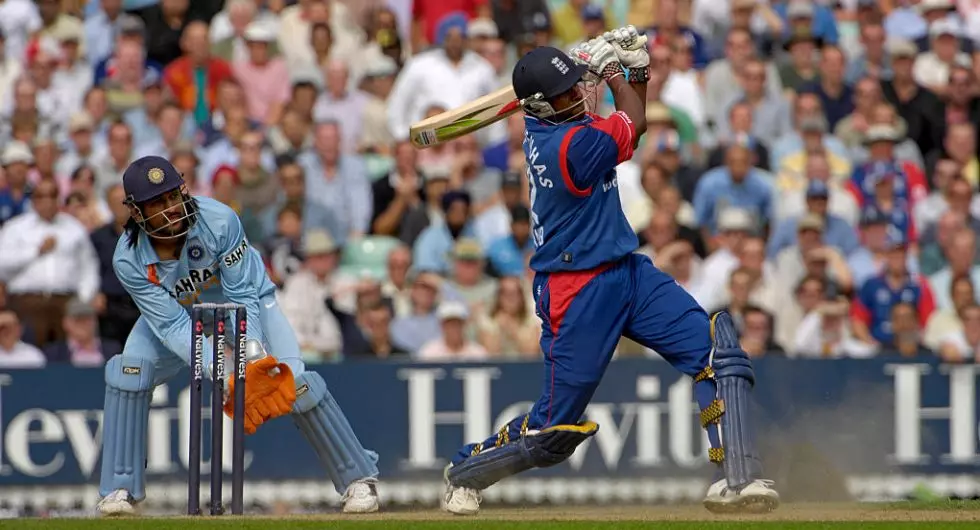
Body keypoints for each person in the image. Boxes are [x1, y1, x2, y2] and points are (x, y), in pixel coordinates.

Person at [441, 28, 780, 516]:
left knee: (717, 349)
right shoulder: (568, 147)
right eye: (566, 93)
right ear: (539, 106)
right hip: (577, 290)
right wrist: (622, 72)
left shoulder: (563, 126)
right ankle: (466, 471)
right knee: (552, 434)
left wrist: (634, 71)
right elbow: (633, 121)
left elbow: (630, 129)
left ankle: (737, 477)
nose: (579, 95)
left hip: (625, 271)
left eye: (576, 86)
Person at [95, 156, 380, 516]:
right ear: (136, 212)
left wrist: (252, 356)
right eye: (157, 204)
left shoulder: (219, 220)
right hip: (182, 316)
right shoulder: (128, 259)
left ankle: (358, 479)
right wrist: (221, 368)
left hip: (248, 304)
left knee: (296, 382)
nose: (171, 209)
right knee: (128, 372)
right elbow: (170, 325)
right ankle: (120, 488)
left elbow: (243, 294)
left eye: (172, 196)